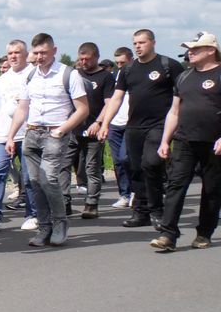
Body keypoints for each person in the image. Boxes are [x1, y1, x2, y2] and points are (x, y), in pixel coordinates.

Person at [5, 33, 88, 247]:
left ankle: (60, 223)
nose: (40, 57)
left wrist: (62, 130)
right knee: (34, 182)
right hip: (32, 133)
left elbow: (83, 109)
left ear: (54, 50)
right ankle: (44, 227)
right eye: (36, 53)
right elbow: (23, 108)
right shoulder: (31, 75)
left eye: (44, 52)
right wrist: (11, 136)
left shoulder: (68, 74)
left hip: (55, 133)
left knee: (48, 180)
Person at [96, 29, 183, 228]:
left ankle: (157, 210)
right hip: (134, 126)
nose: (138, 46)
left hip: (159, 125)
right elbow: (117, 98)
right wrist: (105, 123)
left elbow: (183, 94)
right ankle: (141, 212)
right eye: (135, 43)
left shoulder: (168, 65)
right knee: (133, 166)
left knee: (151, 163)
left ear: (153, 42)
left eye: (142, 42)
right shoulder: (128, 70)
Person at [151, 32, 221, 252]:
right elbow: (174, 111)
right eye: (189, 49)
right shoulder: (184, 77)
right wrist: (165, 140)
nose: (190, 52)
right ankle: (168, 234)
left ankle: (204, 233)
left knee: (212, 190)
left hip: (213, 143)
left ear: (211, 50)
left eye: (195, 49)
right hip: (184, 140)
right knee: (175, 185)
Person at [0, 39, 36, 228]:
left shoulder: (34, 74)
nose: (13, 56)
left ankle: (32, 214)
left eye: (17, 52)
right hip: (3, 135)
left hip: (28, 133)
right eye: (10, 53)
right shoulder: (2, 81)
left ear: (26, 54)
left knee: (29, 178)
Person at [70, 42, 114, 219]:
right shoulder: (75, 75)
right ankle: (64, 202)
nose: (83, 62)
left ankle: (91, 203)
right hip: (73, 128)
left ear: (96, 57)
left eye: (87, 59)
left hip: (93, 129)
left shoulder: (106, 77)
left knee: (91, 168)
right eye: (81, 59)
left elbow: (109, 103)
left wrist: (99, 122)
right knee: (63, 166)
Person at [90, 47, 134, 207]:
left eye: (123, 62)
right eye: (118, 63)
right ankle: (125, 194)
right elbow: (109, 101)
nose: (120, 66)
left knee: (126, 158)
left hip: (131, 123)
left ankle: (136, 190)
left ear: (131, 60)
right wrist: (104, 124)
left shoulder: (136, 76)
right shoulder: (113, 77)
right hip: (115, 123)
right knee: (117, 162)